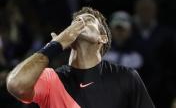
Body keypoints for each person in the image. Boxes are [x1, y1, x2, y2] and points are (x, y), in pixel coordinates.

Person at [6, 7, 155, 108]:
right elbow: (16, 85)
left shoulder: (126, 77)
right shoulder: (52, 79)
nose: (80, 23)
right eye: (76, 22)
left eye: (89, 20)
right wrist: (54, 45)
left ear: (101, 38)